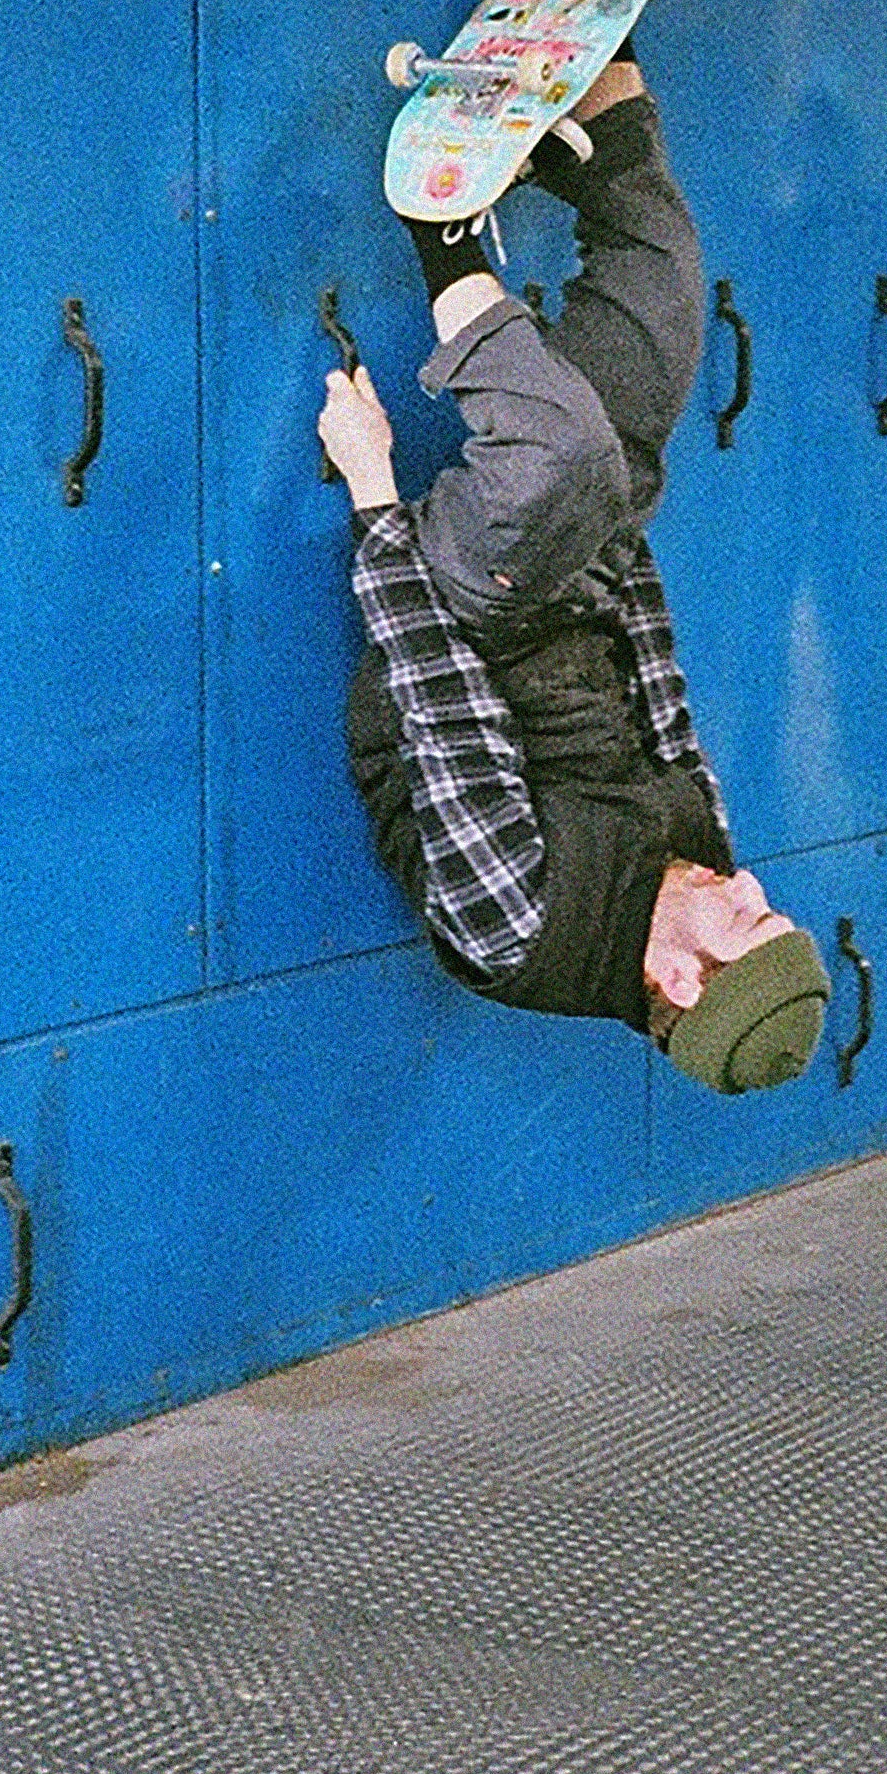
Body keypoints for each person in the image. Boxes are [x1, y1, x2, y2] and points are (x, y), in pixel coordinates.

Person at [318, 54, 831, 1094]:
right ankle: (610, 68)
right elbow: (657, 690)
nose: (749, 886)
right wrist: (620, 514)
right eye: (769, 905)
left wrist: (372, 488)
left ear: (680, 979)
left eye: (747, 921)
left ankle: (439, 225)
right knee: (665, 313)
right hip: (559, 578)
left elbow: (441, 703)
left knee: (564, 457)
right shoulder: (703, 859)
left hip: (459, 620)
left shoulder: (518, 932)